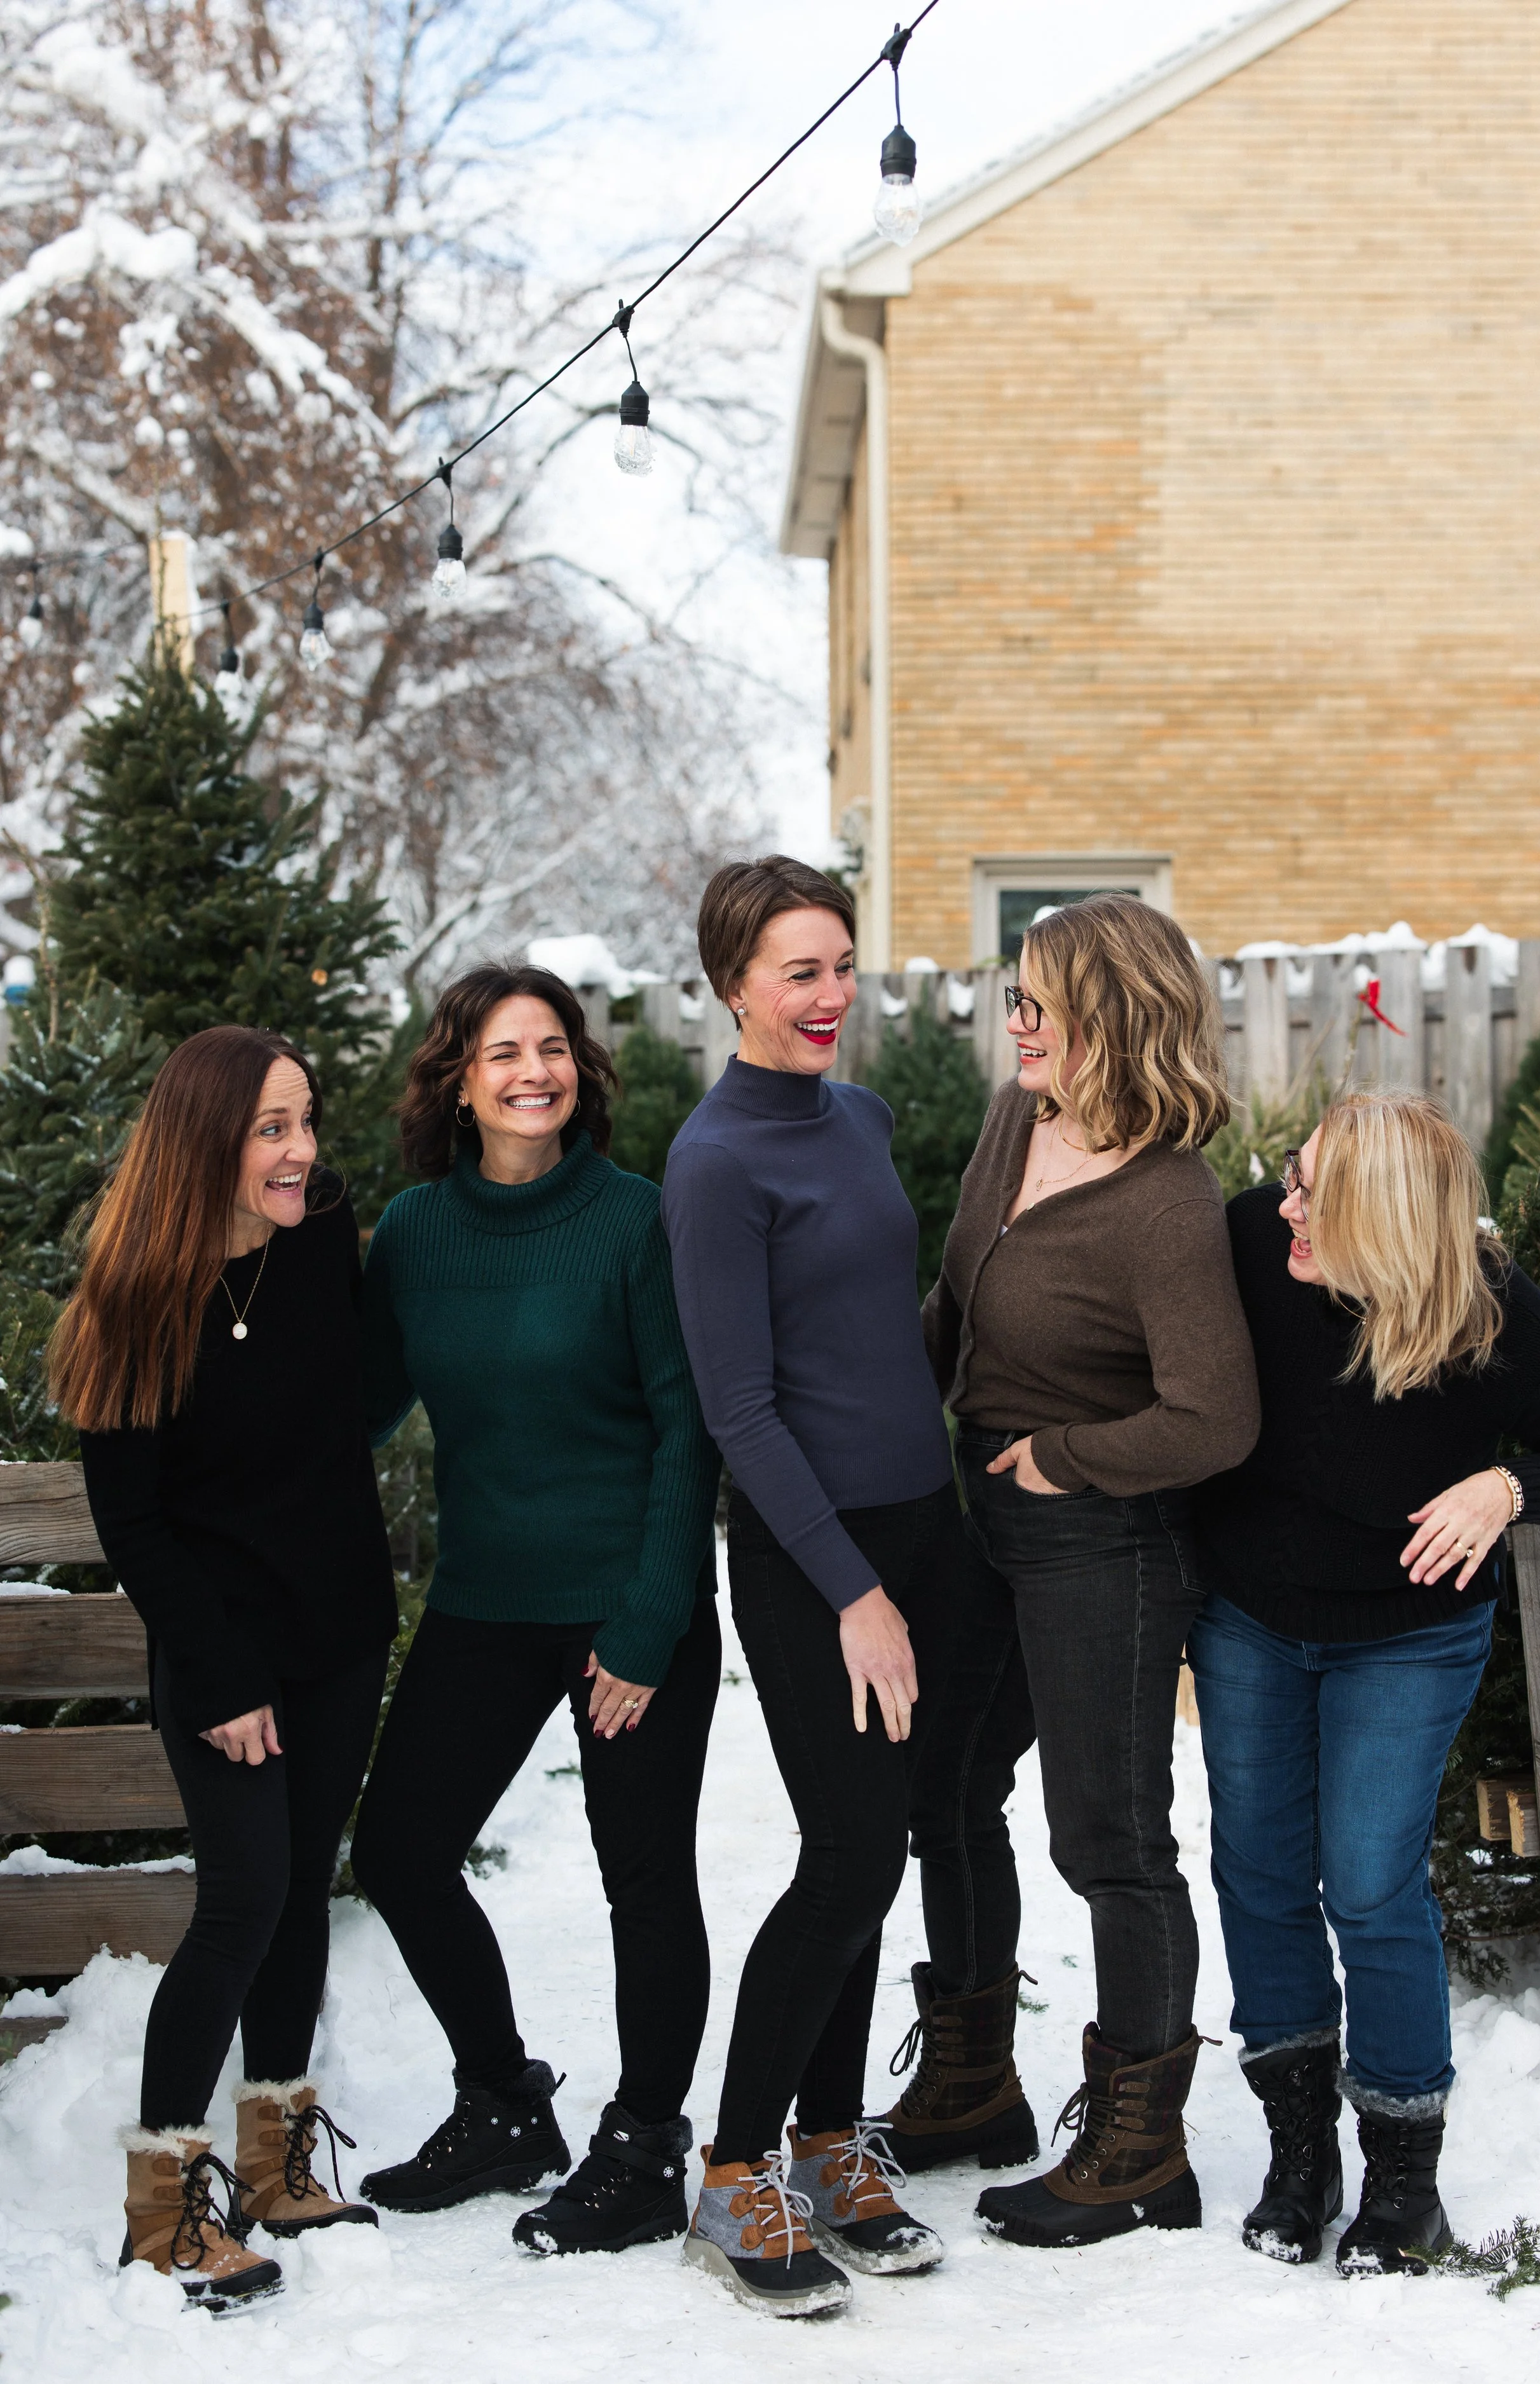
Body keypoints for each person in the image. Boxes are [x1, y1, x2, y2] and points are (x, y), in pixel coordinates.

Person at [882, 893, 1260, 2253]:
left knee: (1107, 1839)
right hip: (977, 1515)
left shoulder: (1165, 1202)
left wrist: (1063, 1460)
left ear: (1114, 1015)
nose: (1014, 1022)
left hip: (1101, 1537)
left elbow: (1213, 1418)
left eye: (1039, 1002)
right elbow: (952, 1308)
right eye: (1013, 995)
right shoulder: (1012, 1125)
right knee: (944, 1783)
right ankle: (974, 2081)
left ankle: (1138, 2150)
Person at [349, 964, 721, 2261]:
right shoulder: (410, 1235)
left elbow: (688, 1429)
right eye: (502, 1052)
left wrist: (646, 1624)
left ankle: (641, 2148)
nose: (532, 1073)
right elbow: (354, 1409)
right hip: (486, 1599)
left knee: (644, 1882)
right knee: (398, 1849)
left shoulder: (634, 1221)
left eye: (553, 1048)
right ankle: (506, 2101)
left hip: (629, 1602)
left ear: (581, 1069)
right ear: (457, 1077)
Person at [1190, 1092, 1540, 2277]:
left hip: (1409, 1635)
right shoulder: (1257, 1241)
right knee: (1258, 1869)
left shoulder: (1491, 1313)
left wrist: (1508, 1490)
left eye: (1314, 1187)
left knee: (1368, 1884)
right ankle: (1300, 2155)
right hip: (1251, 1616)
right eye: (1293, 1176)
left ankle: (1403, 2184)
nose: (1284, 1199)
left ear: (1389, 1216)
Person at [58, 1026, 397, 2313]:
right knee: (243, 1901)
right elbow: (133, 1525)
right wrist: (218, 1672)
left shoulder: (319, 1235)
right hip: (223, 1659)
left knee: (303, 1886)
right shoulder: (133, 1294)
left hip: (338, 1633)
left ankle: (276, 2160)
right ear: (206, 1140)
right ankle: (165, 2204)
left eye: (304, 1120)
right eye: (268, 1129)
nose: (300, 1150)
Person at [660, 855, 957, 2317]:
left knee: (884, 1847)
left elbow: (877, 1330)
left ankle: (832, 2143)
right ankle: (732, 2170)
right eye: (799, 971)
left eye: (841, 963)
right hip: (807, 1559)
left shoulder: (861, 1115)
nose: (832, 995)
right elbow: (741, 1408)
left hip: (917, 1532)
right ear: (733, 985)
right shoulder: (714, 1163)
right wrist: (851, 1588)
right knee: (845, 1853)